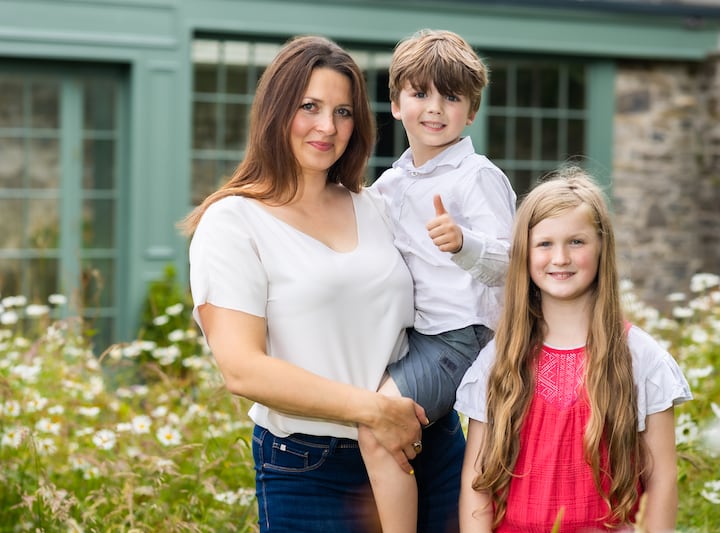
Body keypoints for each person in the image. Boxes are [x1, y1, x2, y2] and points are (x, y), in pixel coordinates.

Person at [182, 35, 464, 533]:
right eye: (309, 107)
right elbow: (242, 369)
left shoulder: (377, 206)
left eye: (343, 111)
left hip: (428, 444)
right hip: (313, 467)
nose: (326, 127)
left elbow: (448, 301)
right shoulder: (233, 223)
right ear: (274, 111)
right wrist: (374, 411)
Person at [456, 168, 693, 533]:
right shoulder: (499, 361)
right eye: (545, 244)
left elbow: (661, 481)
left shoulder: (640, 358)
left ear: (602, 247)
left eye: (577, 242)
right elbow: (477, 487)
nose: (561, 258)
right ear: (525, 253)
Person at [362, 29, 517, 533]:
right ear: (395, 103)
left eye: (451, 97)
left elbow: (514, 263)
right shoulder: (390, 184)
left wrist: (464, 243)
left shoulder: (476, 176)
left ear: (470, 112)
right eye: (420, 93)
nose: (435, 107)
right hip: (413, 338)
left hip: (461, 336)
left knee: (377, 422)